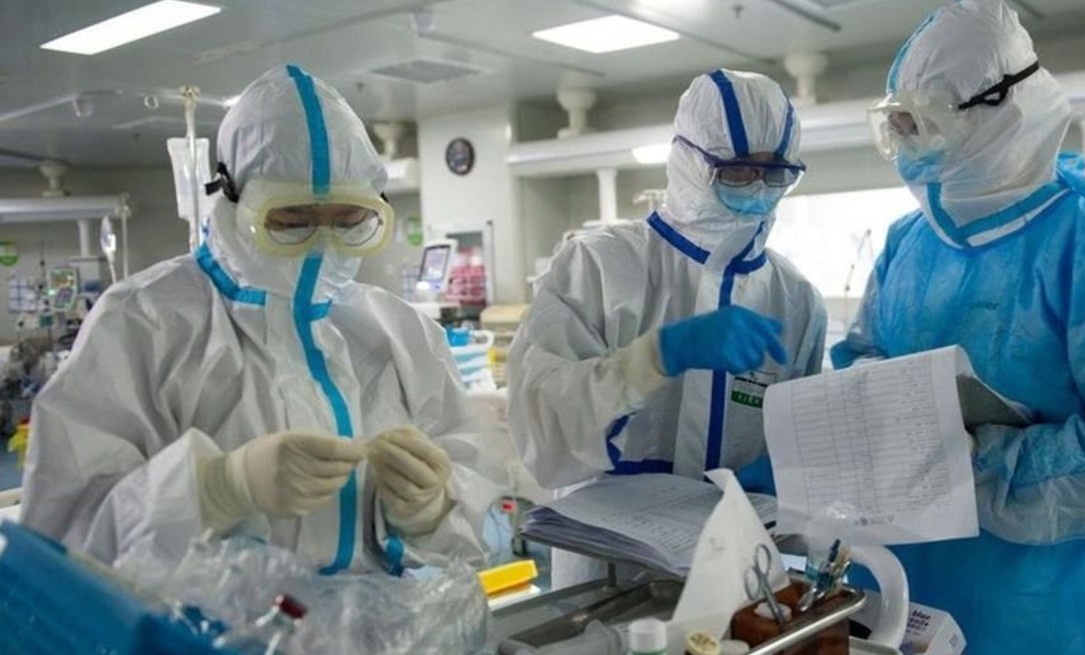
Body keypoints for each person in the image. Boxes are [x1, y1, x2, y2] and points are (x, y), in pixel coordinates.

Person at [21, 66, 503, 574]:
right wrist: (216, 488)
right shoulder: (143, 323)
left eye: (349, 220)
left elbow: (479, 516)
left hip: (388, 622)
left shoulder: (402, 333)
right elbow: (61, 538)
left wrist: (433, 510)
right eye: (291, 220)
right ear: (233, 202)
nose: (322, 244)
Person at [832, 1, 1085, 653]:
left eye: (925, 122)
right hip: (904, 587)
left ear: (1000, 110)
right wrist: (865, 398)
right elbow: (863, 353)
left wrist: (971, 467)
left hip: (1057, 609)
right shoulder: (907, 242)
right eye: (899, 124)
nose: (910, 144)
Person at [508, 69, 826, 580]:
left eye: (776, 173)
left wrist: (787, 474)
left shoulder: (796, 299)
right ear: (689, 160)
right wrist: (653, 359)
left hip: (736, 563)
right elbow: (541, 424)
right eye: (737, 171)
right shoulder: (599, 265)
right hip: (606, 568)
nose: (759, 189)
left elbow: (804, 437)